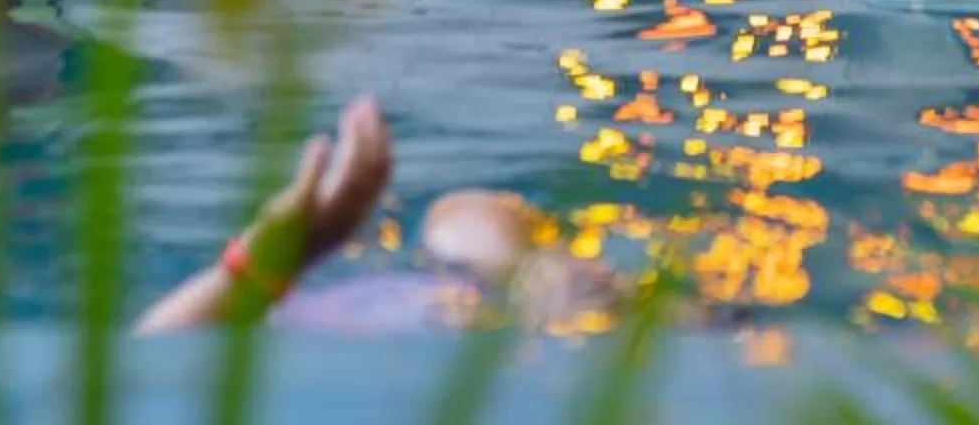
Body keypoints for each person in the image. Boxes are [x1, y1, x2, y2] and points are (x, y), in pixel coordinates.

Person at [134, 100, 617, 335]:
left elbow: (146, 368)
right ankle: (540, 279)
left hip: (419, 313)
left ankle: (536, 278)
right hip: (513, 319)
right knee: (459, 220)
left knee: (457, 222)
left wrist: (262, 269)